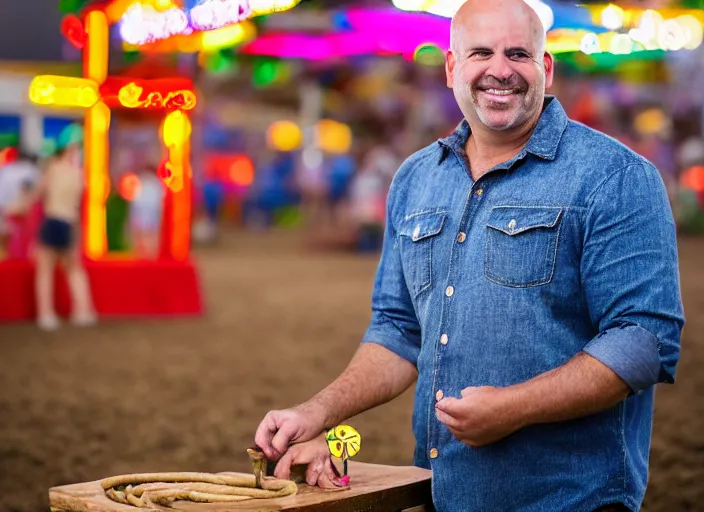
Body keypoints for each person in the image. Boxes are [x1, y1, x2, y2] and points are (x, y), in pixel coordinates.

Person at [254, 0, 684, 510]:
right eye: (481, 52)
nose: (499, 70)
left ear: (545, 68)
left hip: (569, 498)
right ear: (453, 66)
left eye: (518, 53)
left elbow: (644, 341)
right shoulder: (416, 178)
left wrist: (514, 408)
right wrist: (319, 412)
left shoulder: (615, 176)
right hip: (441, 492)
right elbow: (397, 330)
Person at [35, 124, 96, 331]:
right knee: (75, 270)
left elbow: (38, 194)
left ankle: (46, 313)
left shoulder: (54, 168)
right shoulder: (80, 175)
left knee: (45, 270)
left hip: (53, 220)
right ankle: (83, 311)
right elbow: (78, 207)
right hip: (69, 223)